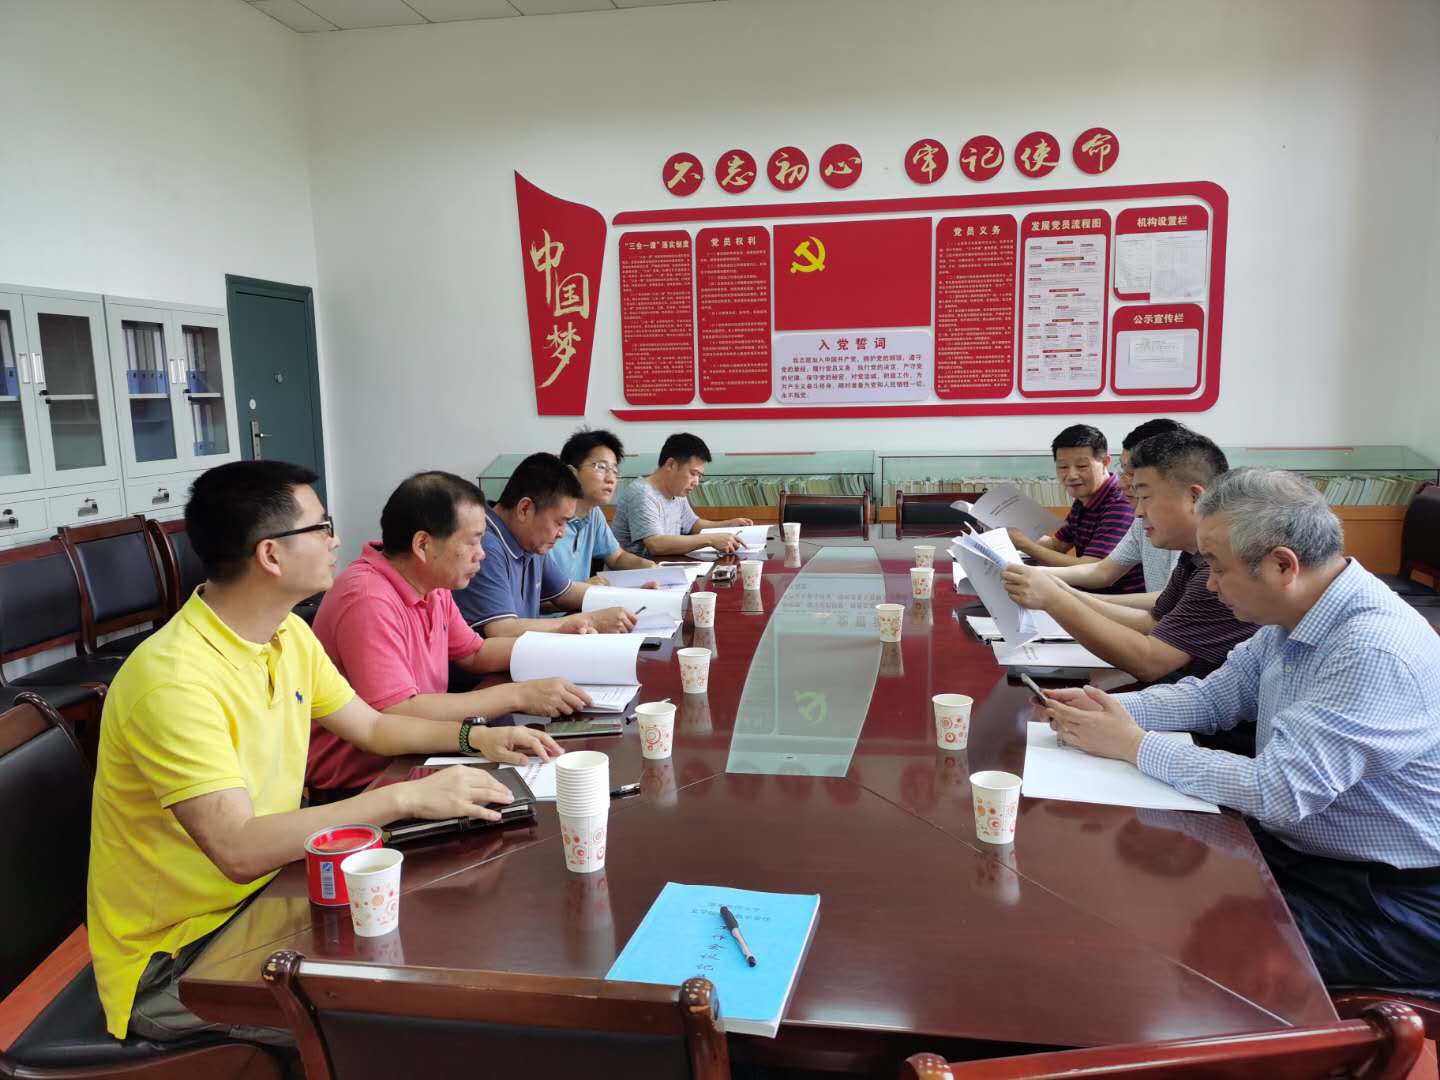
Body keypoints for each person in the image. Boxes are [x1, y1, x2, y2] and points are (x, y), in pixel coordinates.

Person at [87, 461, 561, 1044]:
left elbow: (374, 727)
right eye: (321, 527)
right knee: (405, 1019)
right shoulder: (172, 680)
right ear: (270, 555)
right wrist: (405, 797)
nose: (336, 540)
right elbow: (238, 849)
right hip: (180, 958)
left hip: (274, 894)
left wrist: (477, 738)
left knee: (451, 939)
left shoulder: (286, 634)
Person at [1040, 468, 1440, 996]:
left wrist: (1133, 744)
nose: (1209, 584)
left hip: (1392, 901)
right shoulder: (1296, 614)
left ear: (1281, 564)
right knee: (1135, 885)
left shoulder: (1370, 650)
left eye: (1217, 567)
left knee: (1174, 944)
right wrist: (1107, 709)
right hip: (1308, 857)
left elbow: (1278, 791)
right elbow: (1213, 698)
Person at [306, 471, 591, 800]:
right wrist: (518, 695)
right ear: (423, 545)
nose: (481, 553)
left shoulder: (432, 583)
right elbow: (398, 711)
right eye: (472, 541)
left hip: (423, 750)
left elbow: (474, 653)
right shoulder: (367, 598)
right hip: (366, 782)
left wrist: (561, 648)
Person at [1003, 431, 1258, 683]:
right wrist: (1062, 592)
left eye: (1145, 497)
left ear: (1194, 497)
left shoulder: (1221, 568)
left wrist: (1056, 599)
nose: (1137, 512)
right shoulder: (1192, 555)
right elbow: (1152, 621)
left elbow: (1150, 662)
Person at [454, 452, 637, 637]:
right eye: (559, 522)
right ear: (525, 509)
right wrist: (591, 621)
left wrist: (633, 596)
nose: (562, 533)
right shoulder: (484, 546)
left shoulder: (529, 541)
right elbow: (502, 629)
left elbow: (567, 592)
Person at [1035, 418, 1186, 607]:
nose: (1122, 483)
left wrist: (1070, 597)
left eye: (1132, 474)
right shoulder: (1140, 520)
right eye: (1123, 471)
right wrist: (1034, 574)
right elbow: (1102, 572)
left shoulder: (1192, 532)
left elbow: (1169, 602)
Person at [1007, 424, 1144, 593]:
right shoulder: (1084, 498)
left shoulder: (1121, 502)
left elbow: (1092, 567)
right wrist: (1012, 533)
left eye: (1082, 466)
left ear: (1105, 462)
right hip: (1090, 597)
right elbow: (1057, 545)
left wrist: (1024, 544)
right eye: (1063, 467)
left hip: (1119, 602)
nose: (1071, 475)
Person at [611, 432, 753, 557]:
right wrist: (711, 539)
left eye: (699, 476)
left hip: (663, 569)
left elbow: (694, 525)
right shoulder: (642, 494)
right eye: (693, 473)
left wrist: (728, 524)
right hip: (634, 574)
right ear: (671, 465)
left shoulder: (677, 492)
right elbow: (655, 544)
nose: (696, 482)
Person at [551, 429, 658, 583]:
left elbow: (616, 557)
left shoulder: (593, 513)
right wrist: (585, 587)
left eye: (614, 471)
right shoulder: (548, 520)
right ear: (571, 473)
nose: (611, 479)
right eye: (601, 467)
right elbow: (536, 591)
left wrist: (649, 566)